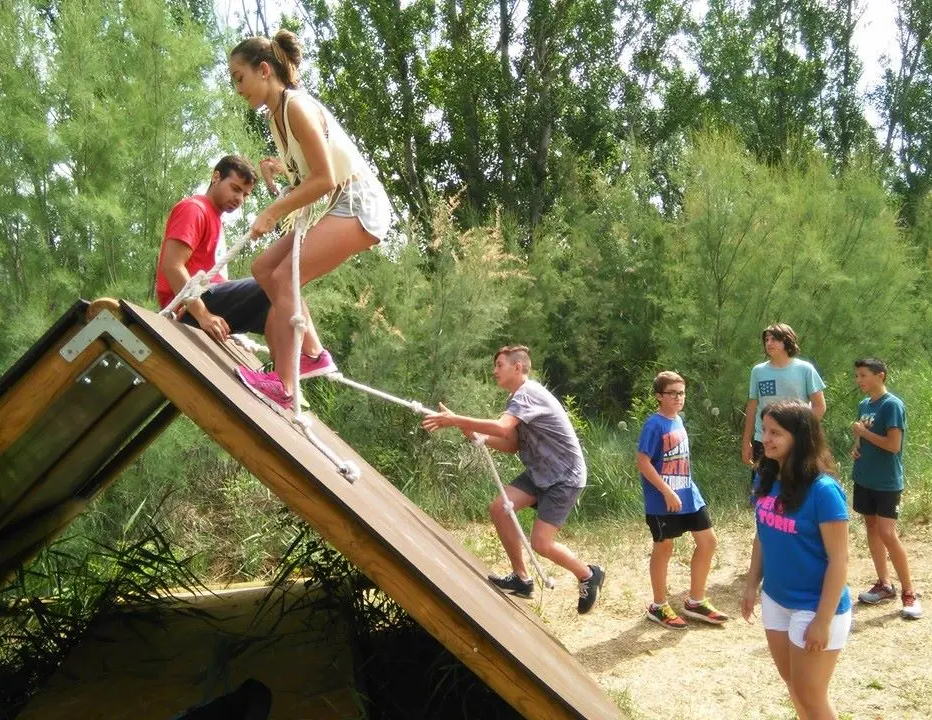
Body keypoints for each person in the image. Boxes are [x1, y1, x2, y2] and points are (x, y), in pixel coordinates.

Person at [226, 30, 393, 412]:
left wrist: (273, 212)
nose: (238, 88)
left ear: (264, 69)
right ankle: (313, 354)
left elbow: (325, 177)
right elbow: (307, 175)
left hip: (358, 205)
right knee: (265, 268)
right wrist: (278, 171)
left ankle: (284, 387)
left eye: (240, 77)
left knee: (285, 277)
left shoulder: (296, 106)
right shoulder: (277, 118)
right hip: (339, 202)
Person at [421, 345, 605, 614]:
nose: (494, 371)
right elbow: (511, 444)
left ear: (517, 367)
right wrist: (474, 433)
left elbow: (502, 427)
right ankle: (521, 579)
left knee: (541, 544)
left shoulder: (528, 394)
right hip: (541, 472)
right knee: (500, 509)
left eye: (499, 365)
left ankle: (589, 574)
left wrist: (455, 419)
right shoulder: (516, 399)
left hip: (564, 476)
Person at [741, 401, 851, 720]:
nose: (767, 439)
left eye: (776, 432)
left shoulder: (824, 490)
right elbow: (762, 535)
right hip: (775, 601)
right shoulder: (766, 476)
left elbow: (840, 560)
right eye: (765, 431)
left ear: (799, 437)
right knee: (794, 687)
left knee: (811, 694)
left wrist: (822, 619)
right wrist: (751, 586)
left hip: (813, 606)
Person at [637, 371, 728, 630]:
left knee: (708, 541)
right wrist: (666, 491)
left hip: (688, 494)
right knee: (664, 548)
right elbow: (642, 462)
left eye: (682, 393)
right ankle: (658, 606)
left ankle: (695, 601)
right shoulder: (654, 424)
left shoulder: (677, 420)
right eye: (672, 393)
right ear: (659, 396)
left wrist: (682, 489)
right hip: (662, 499)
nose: (678, 398)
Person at [156, 155, 271, 343]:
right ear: (216, 177)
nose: (239, 198)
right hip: (186, 306)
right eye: (235, 189)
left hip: (204, 299)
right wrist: (202, 315)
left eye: (245, 194)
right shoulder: (195, 209)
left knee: (281, 304)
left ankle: (282, 369)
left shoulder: (216, 219)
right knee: (272, 281)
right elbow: (172, 265)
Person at [851, 358, 923, 619]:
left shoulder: (892, 405)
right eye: (856, 376)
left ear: (880, 375)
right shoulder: (864, 405)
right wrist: (857, 446)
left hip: (886, 483)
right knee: (871, 529)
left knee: (887, 534)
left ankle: (909, 593)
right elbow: (863, 437)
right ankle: (884, 584)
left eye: (863, 375)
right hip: (864, 479)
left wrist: (863, 433)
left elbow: (893, 445)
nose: (859, 380)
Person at [741, 323, 826, 479]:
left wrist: (802, 433)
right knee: (763, 492)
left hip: (796, 441)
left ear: (787, 342)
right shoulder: (758, 371)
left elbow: (819, 406)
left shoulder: (805, 369)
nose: (769, 343)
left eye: (774, 339)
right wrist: (746, 441)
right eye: (767, 339)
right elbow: (752, 407)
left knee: (795, 489)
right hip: (764, 440)